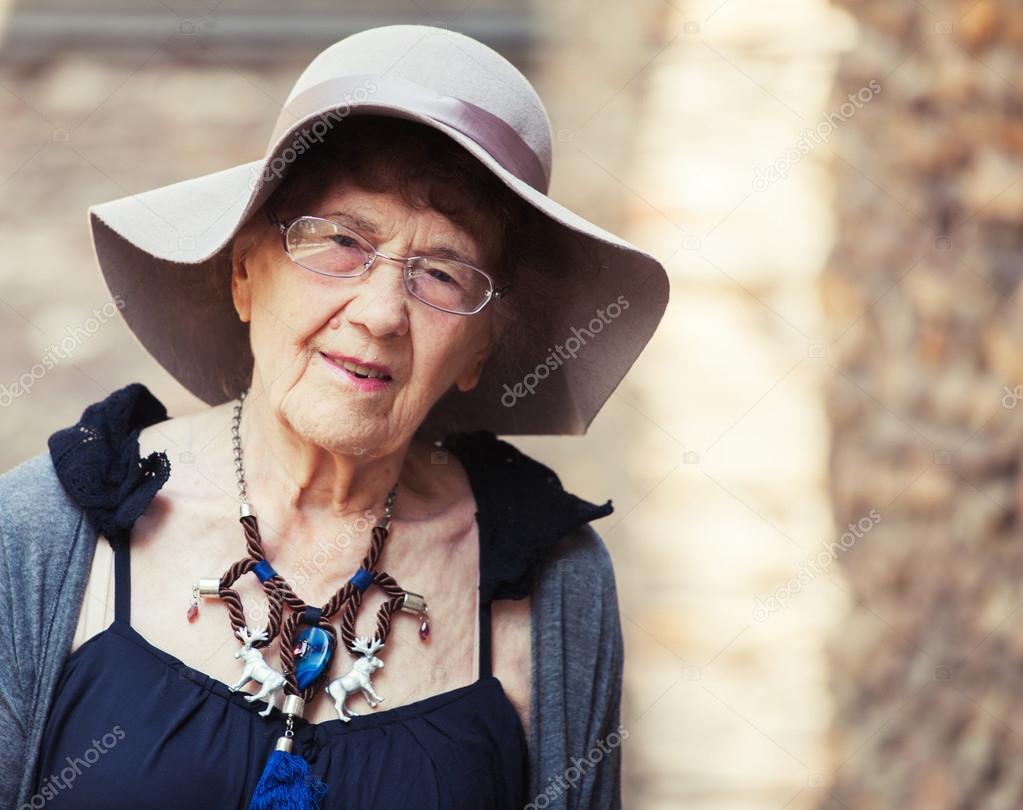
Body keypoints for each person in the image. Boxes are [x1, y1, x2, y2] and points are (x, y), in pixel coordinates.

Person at [0, 24, 669, 810]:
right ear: (244, 272)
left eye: (443, 274)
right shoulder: (45, 533)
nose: (381, 314)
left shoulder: (553, 583)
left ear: (480, 348)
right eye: (342, 241)